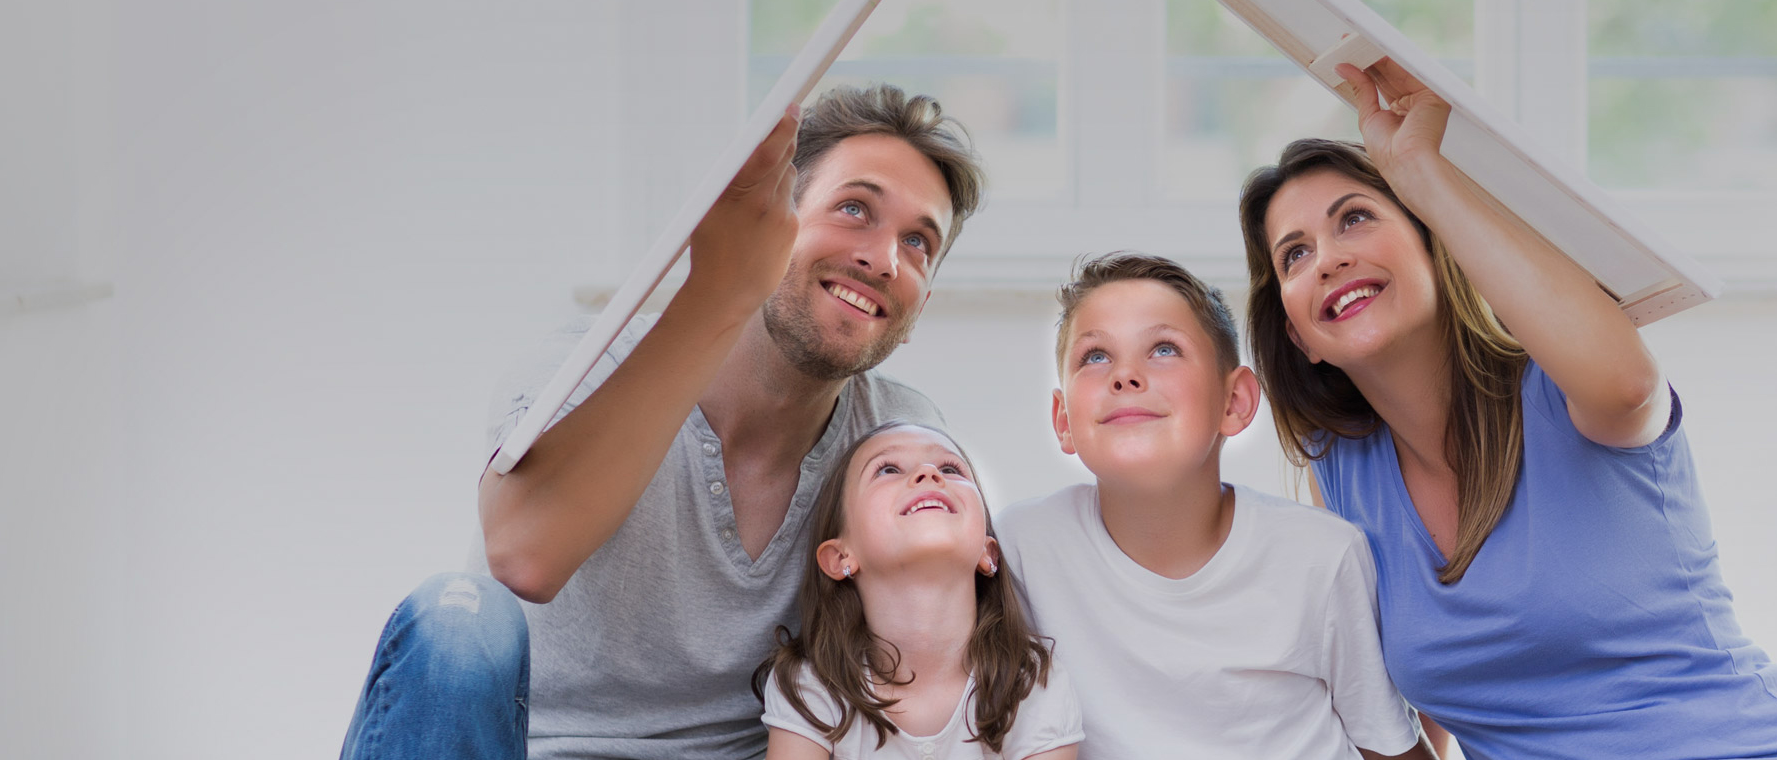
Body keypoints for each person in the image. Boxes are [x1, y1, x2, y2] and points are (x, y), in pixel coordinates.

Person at [340, 83, 987, 760]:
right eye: (855, 208)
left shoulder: (900, 442)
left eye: (918, 244)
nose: (883, 259)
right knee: (456, 620)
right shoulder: (579, 364)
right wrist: (723, 289)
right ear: (774, 219)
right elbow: (524, 555)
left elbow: (939, 660)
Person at [1238, 59, 1777, 760]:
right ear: (1299, 336)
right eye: (1296, 255)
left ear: (1437, 246)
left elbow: (1629, 386)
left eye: (1357, 219)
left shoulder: (1562, 388)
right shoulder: (1342, 475)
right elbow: (1388, 713)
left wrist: (1420, 170)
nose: (1330, 259)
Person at [995, 253, 1433, 760]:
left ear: (1235, 402)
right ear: (1063, 419)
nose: (1125, 375)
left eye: (1163, 348)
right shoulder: (1024, 546)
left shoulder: (1322, 556)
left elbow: (1390, 746)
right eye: (1095, 357)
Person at [756, 422, 1083, 760]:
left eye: (950, 468)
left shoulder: (1032, 684)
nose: (928, 473)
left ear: (988, 553)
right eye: (888, 469)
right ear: (840, 557)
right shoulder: (810, 687)